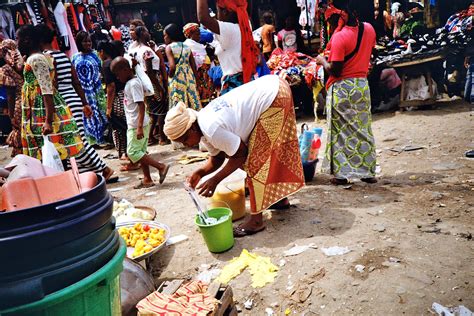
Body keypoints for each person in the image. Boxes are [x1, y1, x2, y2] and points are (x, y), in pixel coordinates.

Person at [163, 75, 304, 237]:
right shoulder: (203, 126)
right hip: (273, 88)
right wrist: (200, 173)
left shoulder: (211, 128)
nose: (186, 145)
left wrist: (215, 180)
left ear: (191, 129)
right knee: (270, 154)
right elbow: (217, 158)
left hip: (274, 97)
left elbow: (240, 155)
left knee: (255, 163)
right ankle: (279, 200)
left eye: (185, 139)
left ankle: (256, 221)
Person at [39, 25, 116, 181]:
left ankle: (104, 168)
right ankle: (86, 174)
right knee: (74, 139)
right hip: (73, 98)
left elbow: (50, 86)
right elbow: (76, 82)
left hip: (63, 101)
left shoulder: (45, 58)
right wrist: (84, 103)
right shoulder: (63, 56)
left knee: (77, 140)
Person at [315, 0, 377, 185]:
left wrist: (321, 61)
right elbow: (369, 55)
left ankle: (342, 175)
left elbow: (335, 70)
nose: (330, 26)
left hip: (342, 89)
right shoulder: (369, 29)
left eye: (331, 21)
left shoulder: (340, 37)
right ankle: (367, 171)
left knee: (340, 133)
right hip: (362, 86)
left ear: (339, 17)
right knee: (362, 128)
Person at [16, 25, 83, 162]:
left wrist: (48, 121)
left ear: (27, 40)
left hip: (41, 110)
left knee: (51, 149)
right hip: (37, 108)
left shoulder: (37, 59)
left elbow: (47, 90)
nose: (17, 43)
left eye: (18, 39)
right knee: (51, 150)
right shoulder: (41, 57)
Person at [111, 57, 170, 189]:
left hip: (137, 124)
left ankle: (161, 167)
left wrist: (138, 128)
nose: (117, 77)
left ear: (126, 70)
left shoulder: (133, 84)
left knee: (132, 152)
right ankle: (147, 179)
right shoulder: (131, 83)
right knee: (141, 152)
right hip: (137, 123)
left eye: (117, 73)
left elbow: (141, 105)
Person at [197, 0, 259, 95]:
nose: (217, 15)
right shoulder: (245, 25)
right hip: (248, 82)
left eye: (217, 11)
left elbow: (203, 18)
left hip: (235, 88)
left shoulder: (229, 30)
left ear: (225, 12)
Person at [129, 26, 169, 145]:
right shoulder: (146, 51)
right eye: (146, 31)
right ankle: (161, 137)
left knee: (153, 111)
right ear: (142, 33)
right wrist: (160, 88)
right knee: (161, 108)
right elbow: (150, 71)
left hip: (143, 81)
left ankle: (150, 136)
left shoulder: (136, 49)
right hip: (153, 81)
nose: (149, 33)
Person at [72, 31, 108, 145]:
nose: (88, 44)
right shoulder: (74, 57)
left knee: (101, 112)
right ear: (79, 43)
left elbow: (103, 71)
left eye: (89, 41)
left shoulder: (96, 55)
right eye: (84, 41)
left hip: (97, 89)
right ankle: (91, 141)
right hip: (83, 91)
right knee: (88, 114)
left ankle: (103, 138)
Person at [164, 23, 201, 111]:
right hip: (190, 77)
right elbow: (193, 66)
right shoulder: (187, 46)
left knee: (179, 106)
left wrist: (169, 77)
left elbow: (172, 66)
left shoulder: (169, 48)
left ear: (170, 36)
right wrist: (196, 80)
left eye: (165, 35)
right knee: (192, 103)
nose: (164, 38)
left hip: (177, 79)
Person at [1, 39, 24, 157]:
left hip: (18, 104)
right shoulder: (25, 61)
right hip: (31, 100)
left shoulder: (5, 69)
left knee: (19, 131)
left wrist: (10, 115)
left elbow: (10, 94)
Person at [183, 23, 215, 106]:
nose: (199, 36)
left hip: (207, 79)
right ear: (190, 34)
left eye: (199, 33)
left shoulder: (200, 46)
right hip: (199, 80)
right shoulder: (187, 46)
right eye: (197, 34)